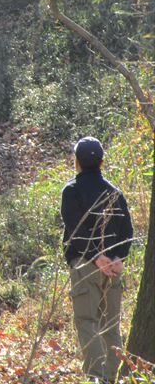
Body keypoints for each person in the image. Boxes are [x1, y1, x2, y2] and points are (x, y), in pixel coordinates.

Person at [61, 137, 133, 383]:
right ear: (101, 162)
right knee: (111, 326)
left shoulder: (71, 191)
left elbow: (75, 230)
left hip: (84, 266)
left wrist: (95, 257)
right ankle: (112, 379)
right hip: (113, 269)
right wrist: (117, 258)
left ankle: (97, 377)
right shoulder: (115, 193)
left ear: (77, 162)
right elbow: (127, 231)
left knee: (86, 322)